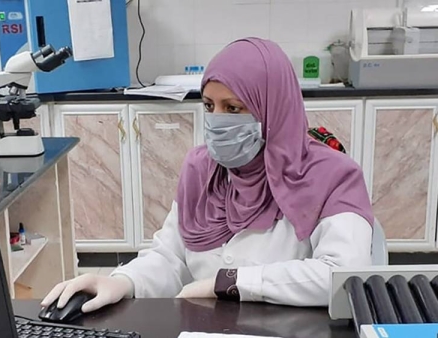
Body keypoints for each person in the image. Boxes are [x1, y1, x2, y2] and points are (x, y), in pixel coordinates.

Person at [42, 38, 374, 313]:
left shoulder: (333, 176)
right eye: (209, 106)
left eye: (233, 108)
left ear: (273, 107)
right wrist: (121, 281)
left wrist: (231, 283)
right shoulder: (203, 169)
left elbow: (341, 275)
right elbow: (170, 257)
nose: (217, 121)